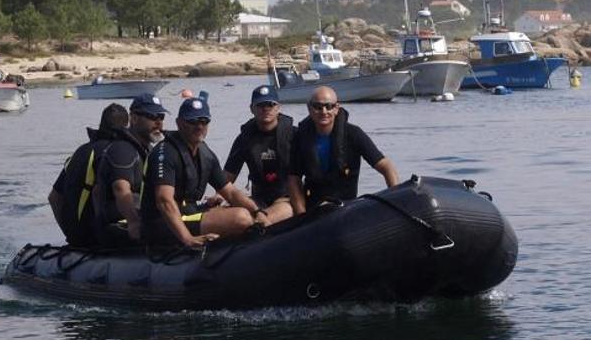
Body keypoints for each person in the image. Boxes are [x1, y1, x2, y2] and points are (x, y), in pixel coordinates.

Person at [139, 96, 265, 249]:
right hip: (161, 222)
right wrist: (188, 239)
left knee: (250, 210)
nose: (199, 126)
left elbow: (230, 192)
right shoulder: (165, 153)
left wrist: (258, 212)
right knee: (241, 218)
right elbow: (164, 201)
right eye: (193, 122)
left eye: (204, 121)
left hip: (189, 213)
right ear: (179, 123)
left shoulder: (205, 154)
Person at [287, 86, 399, 214]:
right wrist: (302, 216)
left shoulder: (353, 133)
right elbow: (293, 179)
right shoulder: (300, 137)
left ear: (336, 108)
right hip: (315, 209)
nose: (323, 111)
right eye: (317, 106)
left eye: (328, 106)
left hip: (347, 208)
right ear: (309, 108)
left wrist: (395, 199)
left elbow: (385, 166)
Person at [89, 93, 169, 247]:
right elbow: (120, 188)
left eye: (161, 116)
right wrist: (133, 222)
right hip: (118, 226)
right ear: (133, 118)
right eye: (152, 116)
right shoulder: (122, 149)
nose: (158, 122)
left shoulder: (148, 150)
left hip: (142, 218)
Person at [49, 104, 130, 247]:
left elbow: (54, 198)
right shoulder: (116, 154)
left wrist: (70, 234)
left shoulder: (80, 151)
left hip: (76, 237)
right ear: (126, 127)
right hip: (97, 238)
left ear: (101, 124)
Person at [223, 84, 296, 226]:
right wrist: (218, 196)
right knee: (235, 215)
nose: (266, 109)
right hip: (258, 199)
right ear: (252, 108)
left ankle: (261, 226)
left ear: (278, 107)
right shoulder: (244, 138)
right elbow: (227, 177)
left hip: (286, 198)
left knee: (277, 213)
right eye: (260, 105)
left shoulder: (293, 134)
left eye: (270, 104)